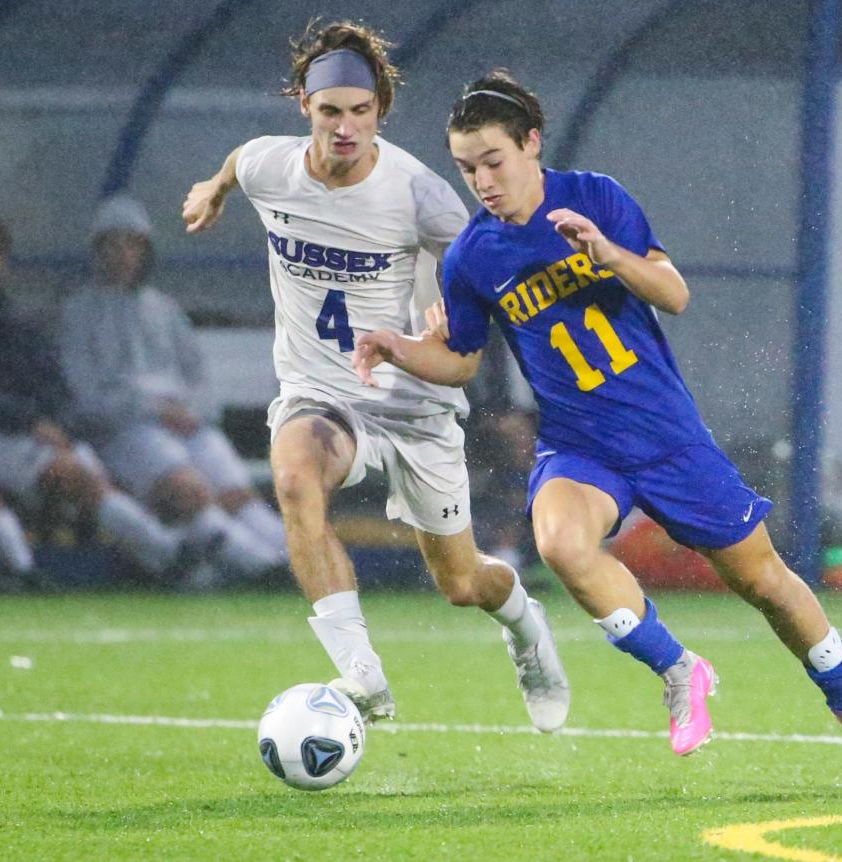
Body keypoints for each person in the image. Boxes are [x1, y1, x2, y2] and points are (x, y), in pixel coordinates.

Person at [352, 70, 842, 792]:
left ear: (532, 143)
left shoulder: (594, 196)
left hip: (665, 436)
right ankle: (680, 669)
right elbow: (461, 362)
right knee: (560, 543)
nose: (482, 182)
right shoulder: (472, 256)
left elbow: (674, 293)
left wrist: (609, 255)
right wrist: (400, 347)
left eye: (493, 161)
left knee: (767, 585)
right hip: (579, 444)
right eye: (467, 169)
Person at [181, 20, 569, 729]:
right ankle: (362, 678)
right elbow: (242, 161)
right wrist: (213, 186)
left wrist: (450, 308)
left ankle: (525, 627)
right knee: (295, 474)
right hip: (323, 393)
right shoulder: (273, 165)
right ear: (305, 104)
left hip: (415, 402)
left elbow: (478, 275)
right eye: (331, 111)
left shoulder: (419, 194)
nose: (346, 127)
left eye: (361, 111)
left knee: (461, 581)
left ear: (380, 112)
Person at [59, 197, 287, 585]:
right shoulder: (77, 314)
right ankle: (262, 569)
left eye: (131, 244)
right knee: (188, 489)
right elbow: (85, 397)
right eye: (112, 244)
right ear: (97, 251)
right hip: (125, 432)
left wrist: (191, 412)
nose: (123, 254)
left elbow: (199, 381)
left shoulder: (164, 309)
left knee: (234, 490)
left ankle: (294, 560)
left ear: (145, 250)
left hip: (185, 425)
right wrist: (151, 410)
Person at [0, 217, 196, 587]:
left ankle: (166, 556)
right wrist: (30, 422)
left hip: (29, 436)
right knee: (75, 473)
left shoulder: (15, 320)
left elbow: (51, 384)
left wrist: (55, 423)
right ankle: (23, 572)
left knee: (86, 473)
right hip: (12, 433)